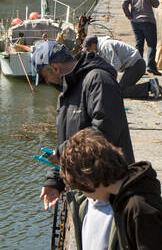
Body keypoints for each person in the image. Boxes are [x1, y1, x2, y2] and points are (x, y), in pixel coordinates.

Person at [36, 42, 134, 209]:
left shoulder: (98, 80)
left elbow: (104, 133)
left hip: (111, 191)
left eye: (44, 76)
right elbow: (67, 140)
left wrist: (62, 152)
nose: (46, 82)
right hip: (87, 189)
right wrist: (55, 180)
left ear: (55, 68)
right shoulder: (66, 93)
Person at [83, 32, 162, 101]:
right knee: (121, 88)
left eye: (88, 49)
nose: (89, 51)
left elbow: (116, 64)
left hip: (136, 65)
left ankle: (150, 86)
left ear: (93, 45)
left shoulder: (105, 46)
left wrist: (111, 79)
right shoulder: (101, 48)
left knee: (121, 90)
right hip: (133, 65)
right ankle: (152, 86)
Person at [121, 0, 161, 73]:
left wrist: (129, 16)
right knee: (151, 44)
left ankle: (139, 67)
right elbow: (156, 4)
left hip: (135, 22)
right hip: (148, 21)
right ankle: (151, 66)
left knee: (139, 45)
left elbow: (124, 4)